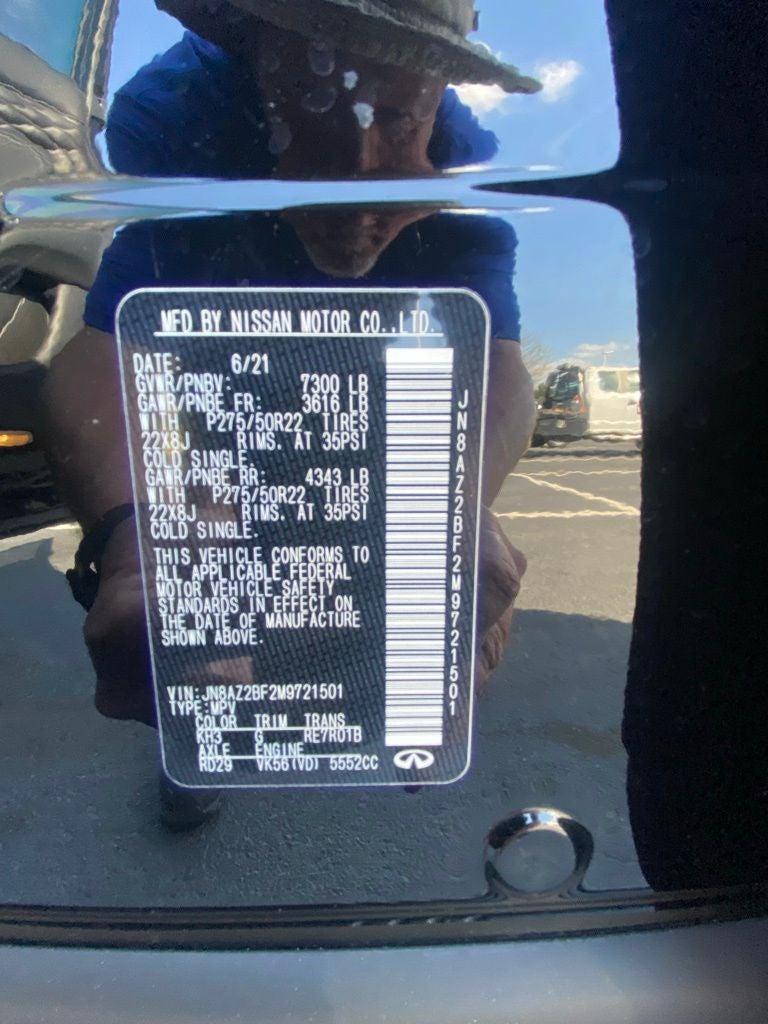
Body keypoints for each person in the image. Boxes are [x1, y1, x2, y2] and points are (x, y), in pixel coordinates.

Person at [41, 0, 538, 820]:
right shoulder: (175, 117)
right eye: (315, 105)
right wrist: (133, 539)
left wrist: (454, 513)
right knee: (195, 581)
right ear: (255, 59)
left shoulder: (466, 167)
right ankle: (206, 728)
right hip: (215, 391)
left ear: (439, 95)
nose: (355, 191)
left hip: (376, 390)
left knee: (425, 577)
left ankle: (299, 702)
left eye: (399, 120)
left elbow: (494, 362)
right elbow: (109, 346)